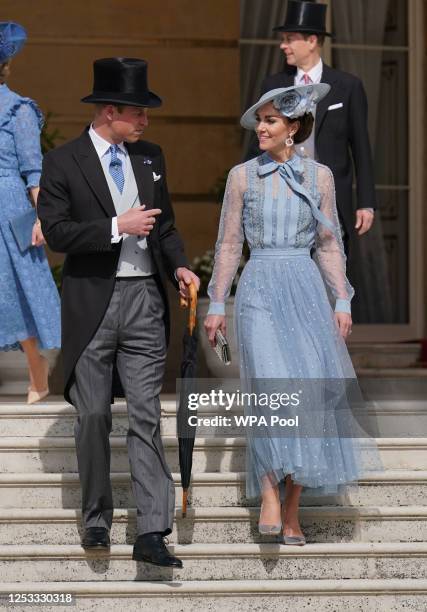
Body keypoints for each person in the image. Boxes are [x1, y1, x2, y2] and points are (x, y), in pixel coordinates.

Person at [37, 57, 199, 567]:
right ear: (111, 112)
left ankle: (152, 530)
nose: (146, 122)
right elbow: (58, 233)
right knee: (92, 415)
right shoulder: (63, 162)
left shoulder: (151, 157)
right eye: (138, 112)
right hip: (91, 305)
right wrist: (116, 225)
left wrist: (180, 269)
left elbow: (165, 227)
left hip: (146, 303)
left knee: (147, 416)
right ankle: (96, 520)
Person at [205, 85, 379, 545]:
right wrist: (218, 301)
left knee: (307, 396)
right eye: (259, 121)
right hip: (259, 286)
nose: (260, 128)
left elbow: (329, 243)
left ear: (294, 129)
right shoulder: (242, 176)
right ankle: (267, 489)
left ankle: (293, 508)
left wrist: (342, 298)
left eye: (270, 122)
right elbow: (227, 243)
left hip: (305, 290)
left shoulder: (320, 177)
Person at [247, 0, 376, 249]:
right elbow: (259, 144)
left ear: (312, 41)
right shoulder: (272, 86)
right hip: (282, 199)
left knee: (331, 279)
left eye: (290, 38)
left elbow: (361, 147)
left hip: (332, 202)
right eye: (283, 39)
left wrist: (366, 202)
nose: (282, 45)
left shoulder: (348, 87)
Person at [0, 21, 60, 403]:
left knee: (15, 291)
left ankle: (37, 368)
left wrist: (43, 218)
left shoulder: (18, 109)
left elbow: (34, 171)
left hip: (8, 208)